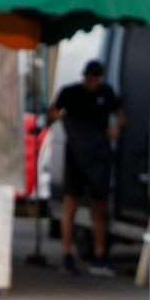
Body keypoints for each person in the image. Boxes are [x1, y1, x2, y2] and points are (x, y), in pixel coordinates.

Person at [47, 59, 126, 277]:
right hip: (75, 154)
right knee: (70, 205)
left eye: (95, 80)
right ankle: (66, 255)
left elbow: (121, 117)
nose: (92, 83)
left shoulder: (107, 93)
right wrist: (59, 116)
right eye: (89, 79)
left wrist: (115, 126)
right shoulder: (70, 93)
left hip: (98, 155)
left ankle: (100, 255)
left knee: (98, 207)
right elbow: (51, 114)